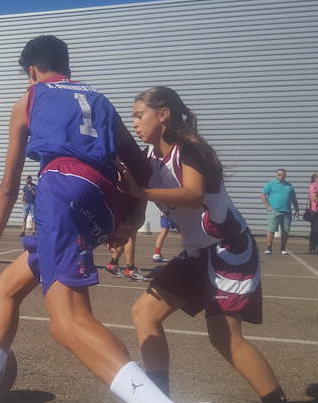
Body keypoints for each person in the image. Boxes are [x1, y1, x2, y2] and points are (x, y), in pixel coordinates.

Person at [0, 35, 169, 403]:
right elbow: (140, 166)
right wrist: (130, 220)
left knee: (67, 324)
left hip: (62, 190)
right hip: (104, 200)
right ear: (67, 67)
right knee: (8, 288)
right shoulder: (99, 99)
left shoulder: (30, 98)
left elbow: (8, 186)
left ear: (32, 71)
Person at [119, 86, 286, 402]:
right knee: (144, 313)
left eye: (140, 115)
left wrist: (142, 193)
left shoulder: (189, 150)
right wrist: (122, 231)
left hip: (229, 250)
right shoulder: (149, 157)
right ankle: (159, 397)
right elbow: (138, 207)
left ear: (163, 114)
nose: (135, 123)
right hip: (197, 252)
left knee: (225, 338)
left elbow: (194, 195)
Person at [260, 169, 299, 255]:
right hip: (274, 211)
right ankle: (269, 248)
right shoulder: (271, 184)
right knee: (271, 229)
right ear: (276, 175)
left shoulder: (289, 186)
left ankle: (283, 248)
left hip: (287, 211)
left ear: (285, 176)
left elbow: (294, 199)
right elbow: (262, 195)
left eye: (282, 175)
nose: (281, 176)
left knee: (285, 230)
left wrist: (297, 210)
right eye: (279, 175)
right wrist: (268, 206)